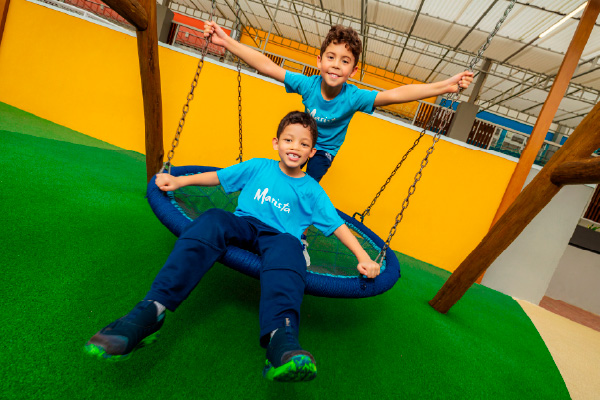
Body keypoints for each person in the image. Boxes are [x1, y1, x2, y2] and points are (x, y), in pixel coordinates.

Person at [84, 111, 381, 383]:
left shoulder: (312, 191)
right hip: (245, 224)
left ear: (311, 152)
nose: (295, 146)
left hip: (280, 239)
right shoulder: (258, 167)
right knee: (213, 220)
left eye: (303, 144)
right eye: (289, 139)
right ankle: (152, 310)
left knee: (290, 251)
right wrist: (179, 181)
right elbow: (218, 177)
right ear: (276, 142)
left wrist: (363, 258)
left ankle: (282, 340)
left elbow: (338, 226)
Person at [203, 22, 474, 183]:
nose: (336, 65)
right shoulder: (307, 84)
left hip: (323, 152)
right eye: (331, 58)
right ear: (319, 62)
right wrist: (226, 41)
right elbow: (266, 66)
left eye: (345, 61)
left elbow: (397, 94)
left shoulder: (354, 96)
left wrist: (446, 85)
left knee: (308, 184)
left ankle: (300, 236)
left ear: (353, 71)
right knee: (285, 174)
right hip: (302, 142)